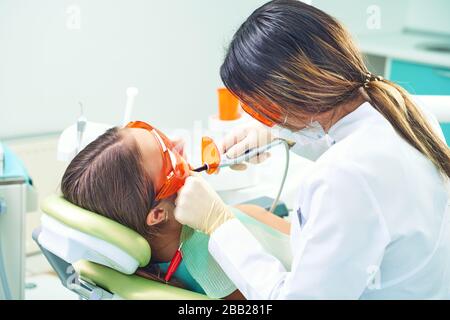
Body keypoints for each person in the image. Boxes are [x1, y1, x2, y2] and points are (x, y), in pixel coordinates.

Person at [174, 0, 450, 299]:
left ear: (284, 99)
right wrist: (278, 132)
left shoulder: (342, 178)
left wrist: (219, 225)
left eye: (262, 110)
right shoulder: (399, 107)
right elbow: (347, 141)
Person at [60, 123, 290, 300]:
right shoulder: (210, 256)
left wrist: (286, 132)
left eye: (162, 136)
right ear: (158, 213)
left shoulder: (155, 268)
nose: (179, 142)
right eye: (168, 155)